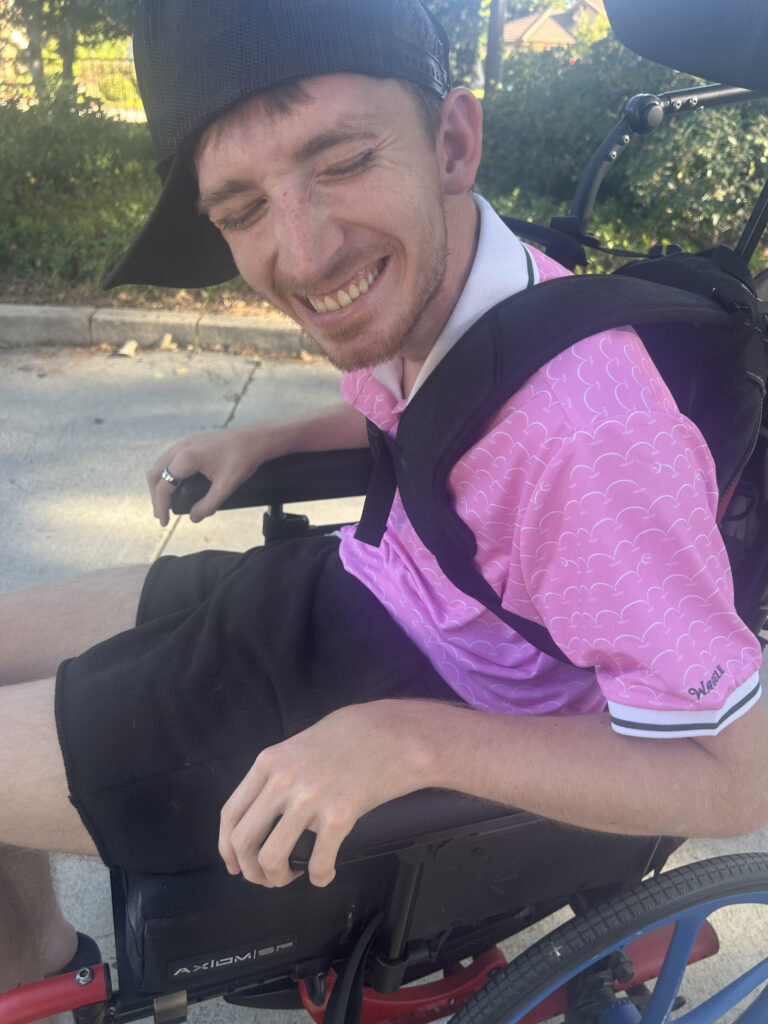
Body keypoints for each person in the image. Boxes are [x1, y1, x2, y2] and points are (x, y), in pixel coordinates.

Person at [2, 0, 768, 1006]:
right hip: (350, 590)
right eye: (242, 209)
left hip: (418, 695)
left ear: (452, 142)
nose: (304, 255)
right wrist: (273, 439)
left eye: (343, 161)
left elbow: (737, 773)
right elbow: (443, 408)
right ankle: (38, 956)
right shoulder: (472, 288)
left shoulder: (589, 435)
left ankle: (24, 970)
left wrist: (410, 740)